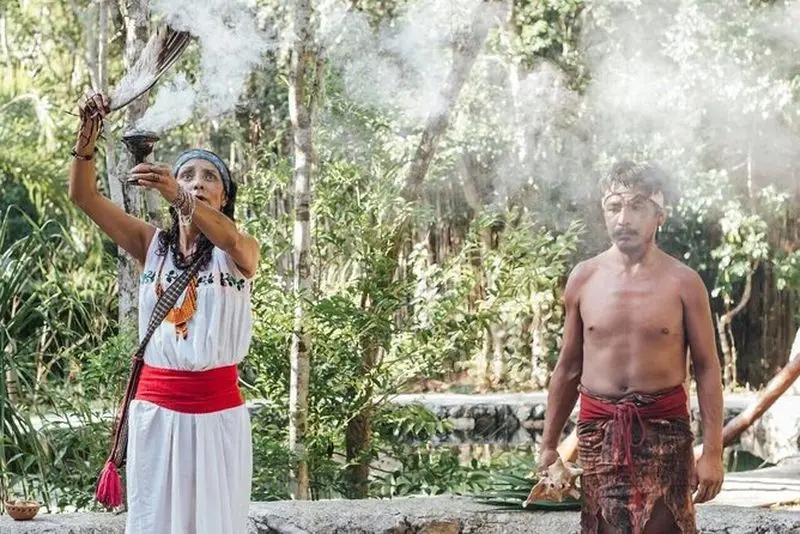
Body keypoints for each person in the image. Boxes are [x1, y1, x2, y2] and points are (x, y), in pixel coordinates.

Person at [69, 90, 260, 534]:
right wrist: (87, 134)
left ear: (225, 198)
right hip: (156, 414)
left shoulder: (239, 251)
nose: (196, 182)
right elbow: (83, 196)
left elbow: (230, 240)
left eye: (209, 177)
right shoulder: (151, 245)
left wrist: (177, 195)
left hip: (217, 418)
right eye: (186, 175)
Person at [537, 161, 724, 534]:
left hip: (665, 433)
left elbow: (707, 368)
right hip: (598, 432)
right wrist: (548, 445)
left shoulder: (685, 283)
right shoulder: (583, 278)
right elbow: (568, 368)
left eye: (637, 206)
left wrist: (714, 453)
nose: (624, 218)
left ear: (660, 216)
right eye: (614, 207)